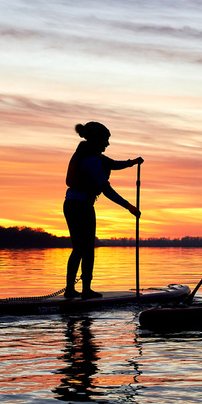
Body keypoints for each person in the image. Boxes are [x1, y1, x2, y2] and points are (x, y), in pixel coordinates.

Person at [64, 121, 142, 299]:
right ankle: (85, 291)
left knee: (79, 249)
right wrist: (129, 207)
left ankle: (71, 290)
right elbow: (106, 190)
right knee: (86, 249)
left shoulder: (88, 155)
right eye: (105, 140)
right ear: (96, 140)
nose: (107, 144)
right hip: (81, 207)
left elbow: (113, 164)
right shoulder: (91, 160)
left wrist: (132, 163)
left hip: (72, 205)